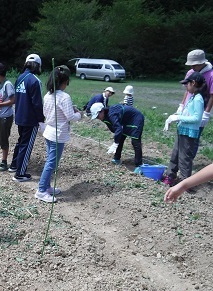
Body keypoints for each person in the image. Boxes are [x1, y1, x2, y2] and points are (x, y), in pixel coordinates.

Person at [35, 66, 81, 203]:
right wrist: (79, 114)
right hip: (58, 134)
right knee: (51, 163)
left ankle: (47, 187)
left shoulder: (48, 95)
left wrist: (69, 111)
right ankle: (41, 190)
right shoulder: (64, 97)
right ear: (65, 81)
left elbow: (47, 113)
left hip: (48, 131)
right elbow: (71, 117)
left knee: (50, 160)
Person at [162, 72, 205, 186]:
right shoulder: (192, 97)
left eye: (187, 84)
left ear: (193, 83)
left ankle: (185, 184)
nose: (185, 86)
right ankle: (170, 176)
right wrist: (176, 115)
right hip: (182, 130)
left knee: (184, 158)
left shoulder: (198, 99)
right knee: (175, 154)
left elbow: (196, 118)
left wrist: (178, 117)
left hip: (189, 133)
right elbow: (187, 112)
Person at [9, 53, 44, 182]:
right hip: (30, 119)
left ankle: (14, 165)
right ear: (37, 65)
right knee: (26, 144)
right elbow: (37, 103)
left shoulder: (20, 78)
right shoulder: (35, 81)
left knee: (20, 141)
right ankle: (20, 173)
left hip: (19, 115)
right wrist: (41, 119)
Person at [177, 49, 213, 158]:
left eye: (195, 65)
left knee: (194, 136)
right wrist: (182, 105)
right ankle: (181, 158)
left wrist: (206, 114)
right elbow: (186, 90)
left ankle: (189, 159)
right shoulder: (190, 73)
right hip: (188, 108)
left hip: (200, 110)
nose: (192, 67)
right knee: (182, 133)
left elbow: (212, 95)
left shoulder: (211, 75)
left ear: (202, 62)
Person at [90, 102, 145, 170]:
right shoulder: (104, 117)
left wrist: (115, 143)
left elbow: (118, 128)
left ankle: (139, 165)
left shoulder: (111, 114)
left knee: (135, 141)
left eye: (97, 116)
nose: (97, 118)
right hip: (126, 120)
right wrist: (116, 139)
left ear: (102, 111)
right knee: (120, 138)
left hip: (136, 118)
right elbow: (114, 129)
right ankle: (116, 158)